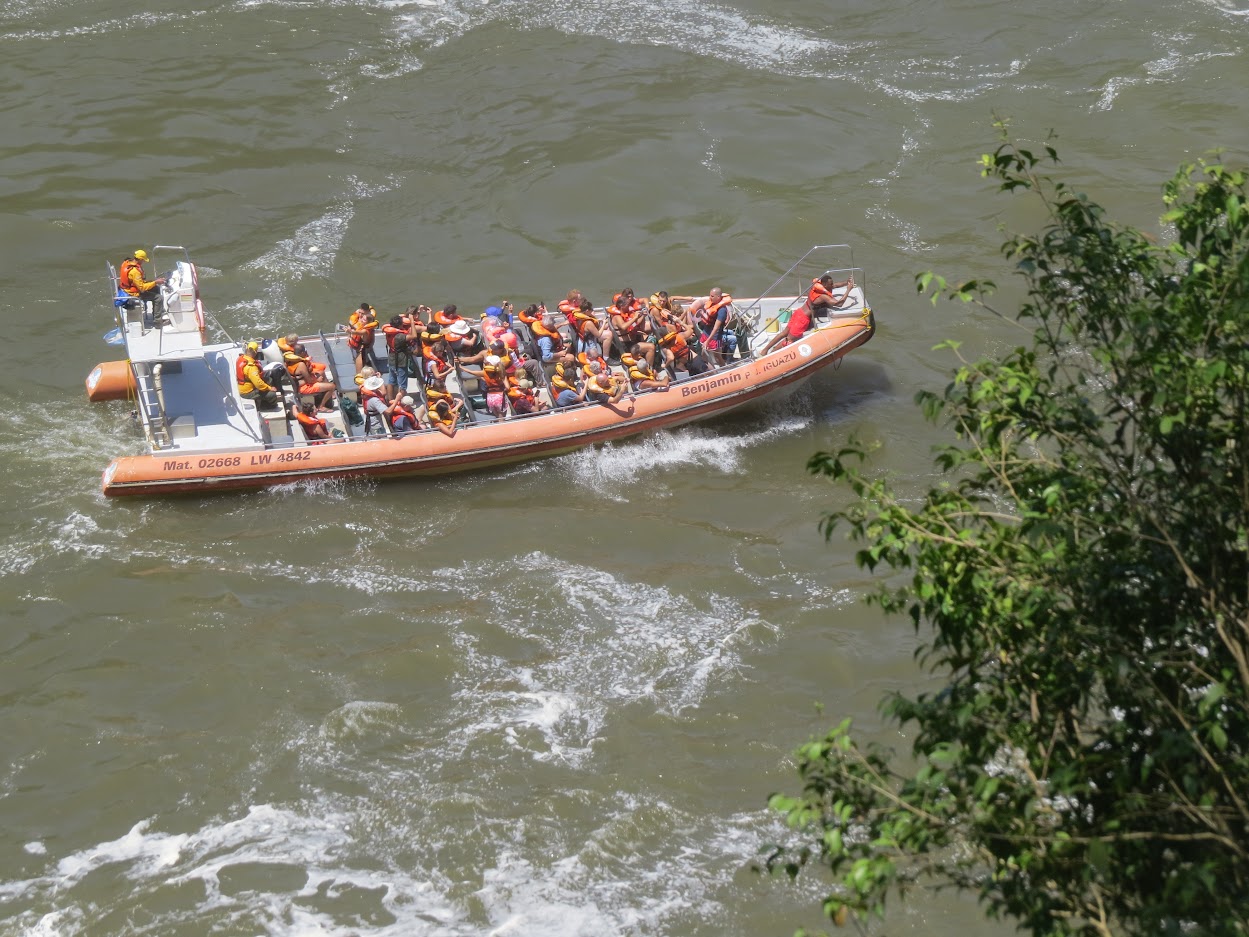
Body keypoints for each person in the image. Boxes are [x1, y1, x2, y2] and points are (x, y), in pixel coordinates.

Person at [685, 288, 737, 366]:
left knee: (717, 357)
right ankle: (708, 370)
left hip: (714, 337)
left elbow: (716, 328)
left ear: (718, 297)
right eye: (710, 295)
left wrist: (708, 341)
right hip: (706, 333)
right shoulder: (711, 304)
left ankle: (723, 369)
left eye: (712, 296)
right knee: (704, 354)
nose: (710, 298)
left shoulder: (722, 311)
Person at [286, 341, 336, 411]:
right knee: (332, 386)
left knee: (321, 372)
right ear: (302, 353)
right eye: (305, 351)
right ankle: (321, 406)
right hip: (304, 388)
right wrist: (317, 380)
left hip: (301, 383)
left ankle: (328, 394)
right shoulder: (301, 364)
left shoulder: (290, 362)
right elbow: (309, 380)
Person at [236, 341, 279, 409]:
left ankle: (263, 399)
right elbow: (258, 384)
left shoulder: (241, 358)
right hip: (247, 392)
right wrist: (270, 388)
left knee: (269, 380)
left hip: (245, 384)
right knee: (272, 395)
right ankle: (267, 406)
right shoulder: (251, 367)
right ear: (256, 352)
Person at [347, 302, 379, 371]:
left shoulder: (369, 320)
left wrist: (371, 344)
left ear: (367, 312)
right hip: (353, 340)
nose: (360, 315)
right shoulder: (357, 316)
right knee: (355, 356)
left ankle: (367, 369)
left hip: (363, 344)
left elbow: (369, 334)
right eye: (360, 312)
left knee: (364, 359)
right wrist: (349, 336)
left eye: (363, 313)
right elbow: (350, 325)